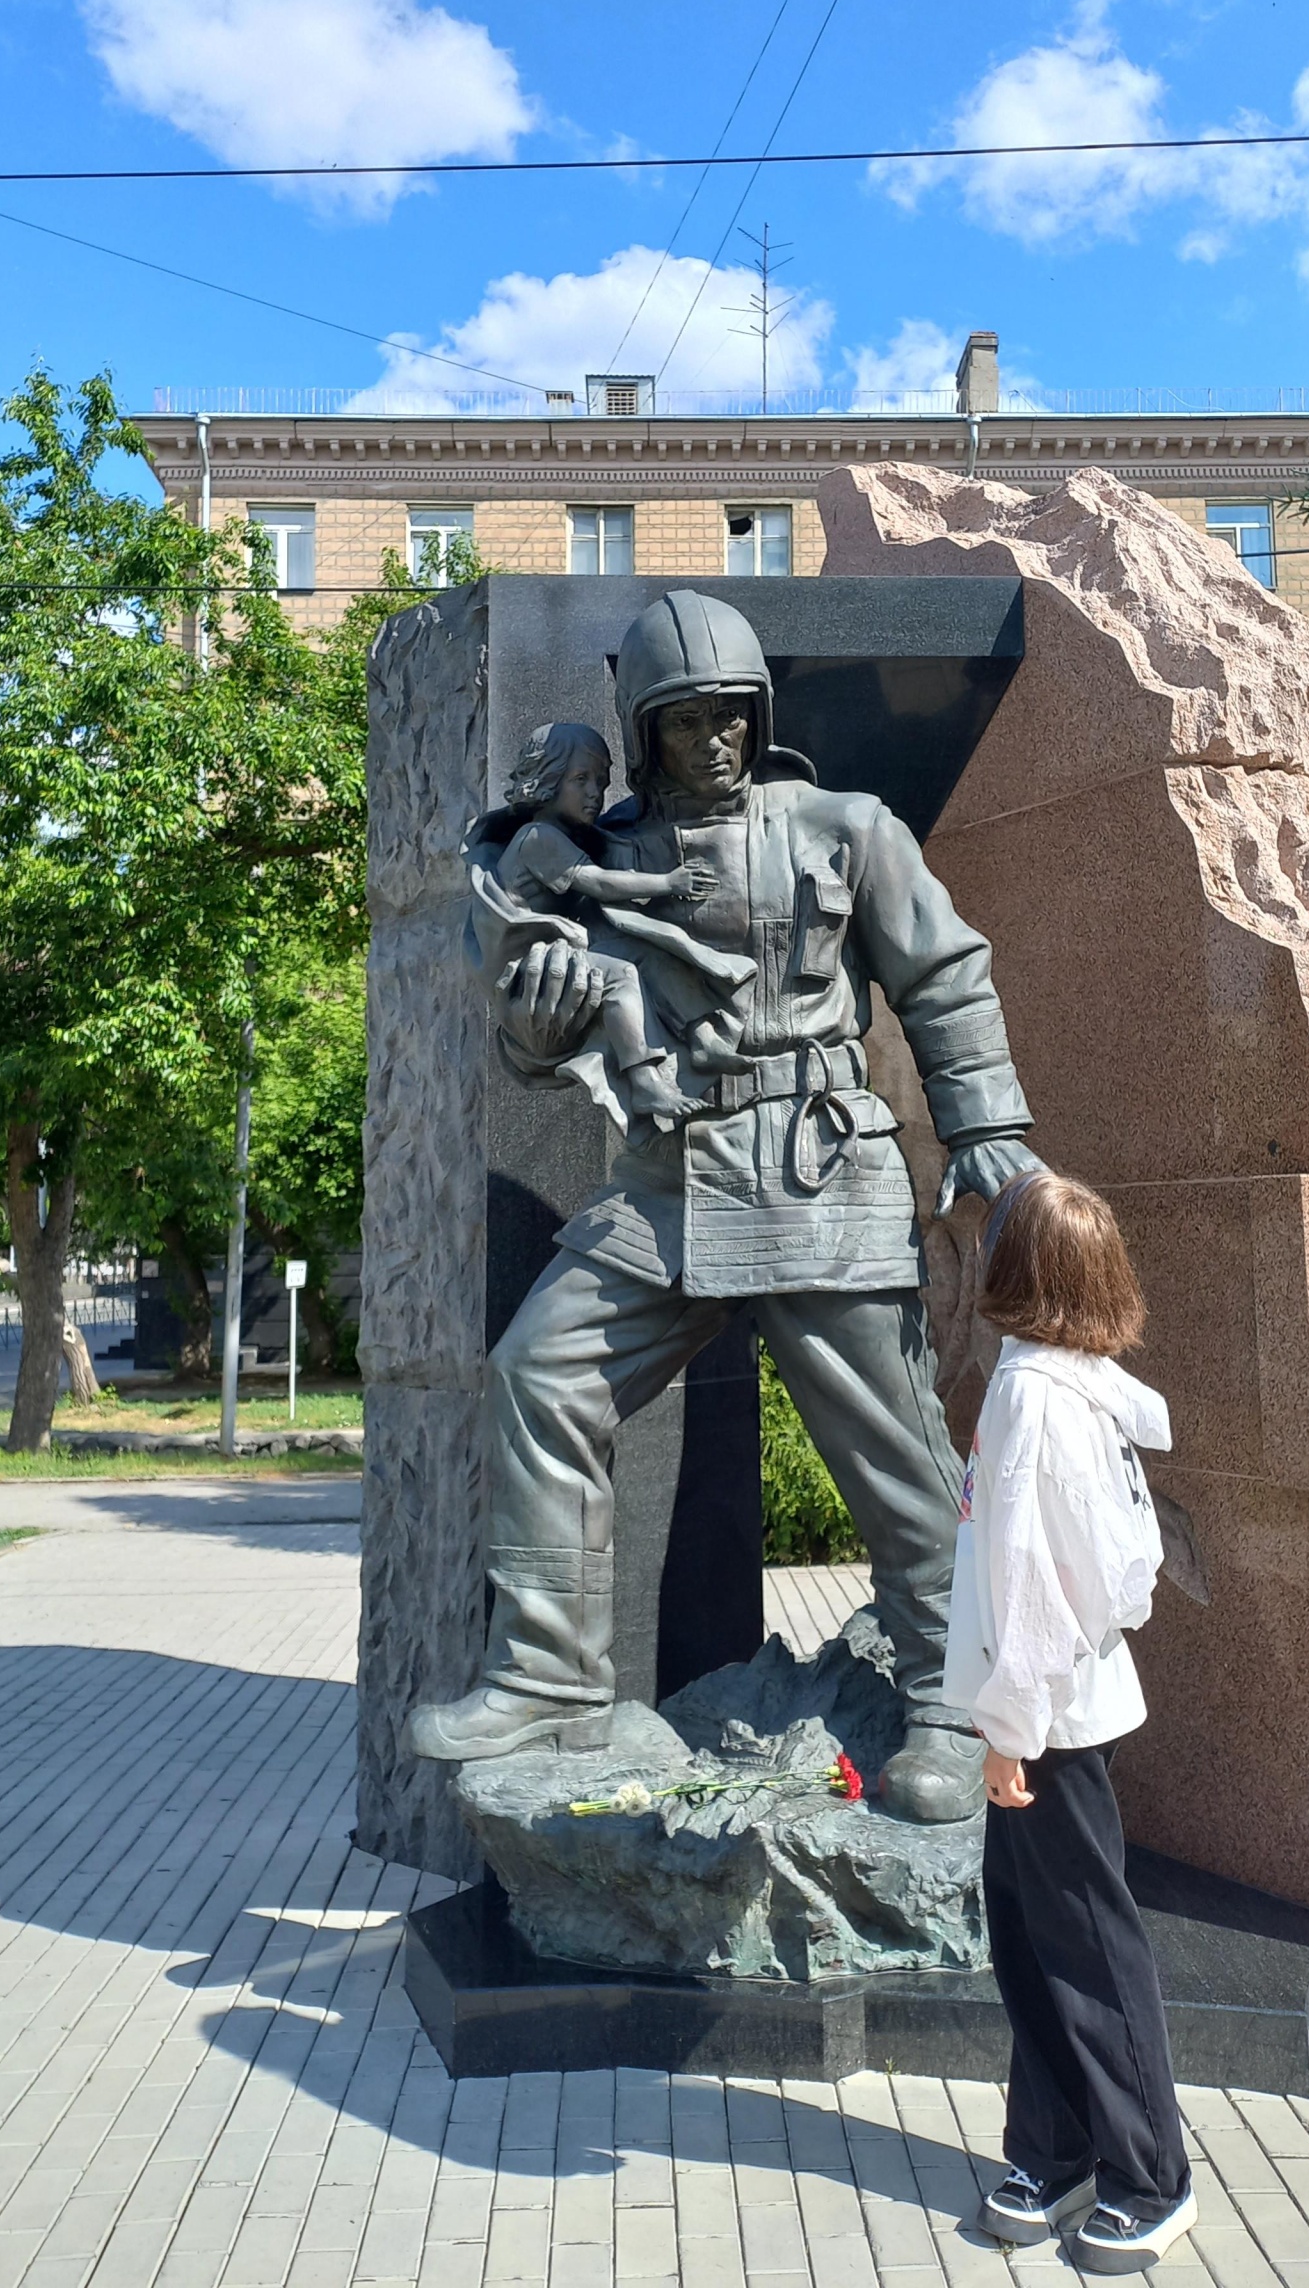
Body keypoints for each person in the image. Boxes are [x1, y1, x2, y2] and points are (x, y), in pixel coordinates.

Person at [411, 590, 1042, 1824]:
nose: (711, 741)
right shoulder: (593, 859)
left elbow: (944, 971)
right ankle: (549, 1678)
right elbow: (536, 1043)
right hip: (668, 1184)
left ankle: (952, 1703)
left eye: (729, 716)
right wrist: (532, 1024)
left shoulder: (846, 829)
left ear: (761, 716)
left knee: (898, 1457)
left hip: (817, 1170)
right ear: (641, 733)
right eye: (682, 719)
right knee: (540, 1373)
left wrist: (987, 1128)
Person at [943, 1169, 1196, 2272]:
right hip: (1055, 1711)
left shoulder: (1038, 1399)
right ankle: (1053, 2147)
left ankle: (1150, 2174)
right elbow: (1123, 1570)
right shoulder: (1070, 1383)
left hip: (1048, 1724)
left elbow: (1037, 1584)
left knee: (1089, 1947)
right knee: (1040, 1938)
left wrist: (1011, 1729)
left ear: (1018, 1269)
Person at [468, 719, 739, 1130]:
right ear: (547, 780)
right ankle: (644, 1080)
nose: (595, 792)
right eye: (581, 779)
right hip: (533, 970)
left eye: (602, 780)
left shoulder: (563, 834)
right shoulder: (537, 836)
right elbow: (596, 882)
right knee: (621, 976)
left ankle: (701, 1038)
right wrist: (668, 882)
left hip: (566, 946)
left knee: (649, 951)